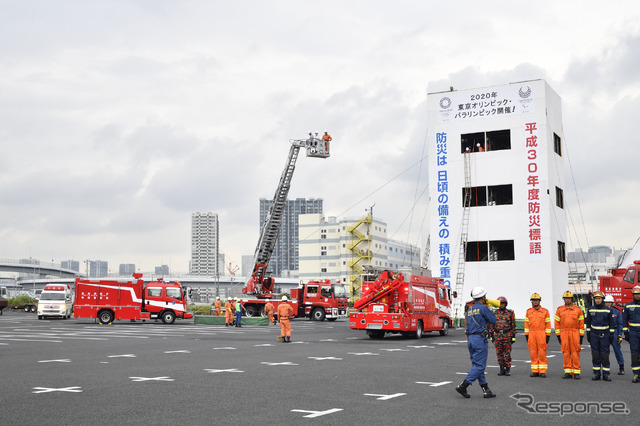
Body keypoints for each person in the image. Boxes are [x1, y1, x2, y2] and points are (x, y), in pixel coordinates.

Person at [455, 286, 497, 399]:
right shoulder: (484, 308)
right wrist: (491, 309)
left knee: (477, 365)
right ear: (483, 297)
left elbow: (467, 327)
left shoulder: (469, 310)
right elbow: (493, 320)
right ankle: (463, 385)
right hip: (480, 339)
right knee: (479, 366)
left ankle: (485, 389)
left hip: (471, 339)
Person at [554, 290, 584, 380]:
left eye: (569, 298)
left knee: (575, 352)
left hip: (575, 332)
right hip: (564, 333)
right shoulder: (560, 310)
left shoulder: (578, 310)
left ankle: (576, 371)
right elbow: (557, 323)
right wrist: (558, 335)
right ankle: (567, 372)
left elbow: (581, 323)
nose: (567, 300)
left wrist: (581, 336)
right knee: (566, 352)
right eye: (565, 298)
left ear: (572, 299)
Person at [586, 291, 615, 381]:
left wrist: (611, 334)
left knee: (605, 355)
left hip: (605, 335)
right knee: (595, 355)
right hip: (594, 335)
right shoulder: (590, 309)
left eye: (599, 298)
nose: (597, 300)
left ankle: (606, 374)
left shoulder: (608, 310)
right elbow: (588, 322)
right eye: (596, 299)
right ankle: (596, 374)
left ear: (602, 299)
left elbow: (611, 323)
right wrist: (588, 333)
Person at [525, 293, 551, 377]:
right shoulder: (529, 311)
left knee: (542, 353)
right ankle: (535, 370)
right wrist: (527, 335)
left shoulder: (545, 311)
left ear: (539, 301)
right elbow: (526, 324)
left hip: (541, 334)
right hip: (532, 334)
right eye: (533, 300)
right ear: (531, 302)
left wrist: (547, 335)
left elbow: (547, 324)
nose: (535, 302)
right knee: (533, 353)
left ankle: (542, 371)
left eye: (536, 300)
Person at [489, 296, 516, 376]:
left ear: (506, 304)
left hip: (507, 335)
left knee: (507, 353)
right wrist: (491, 335)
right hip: (497, 335)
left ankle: (507, 369)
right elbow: (491, 324)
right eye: (500, 303)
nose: (501, 305)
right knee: (499, 353)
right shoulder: (494, 313)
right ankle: (501, 368)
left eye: (503, 303)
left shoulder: (510, 313)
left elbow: (513, 325)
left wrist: (513, 336)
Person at [622, 285, 640, 383]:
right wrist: (626, 332)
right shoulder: (628, 306)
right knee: (634, 354)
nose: (637, 296)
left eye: (638, 294)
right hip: (633, 333)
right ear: (633, 295)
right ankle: (636, 374)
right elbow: (624, 320)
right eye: (635, 294)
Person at [604, 295, 625, 375]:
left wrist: (620, 335)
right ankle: (605, 368)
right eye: (606, 302)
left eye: (609, 302)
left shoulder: (616, 312)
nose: (608, 304)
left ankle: (621, 367)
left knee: (617, 350)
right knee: (604, 351)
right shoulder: (602, 311)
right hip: (605, 332)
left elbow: (620, 324)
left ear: (612, 303)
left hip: (615, 332)